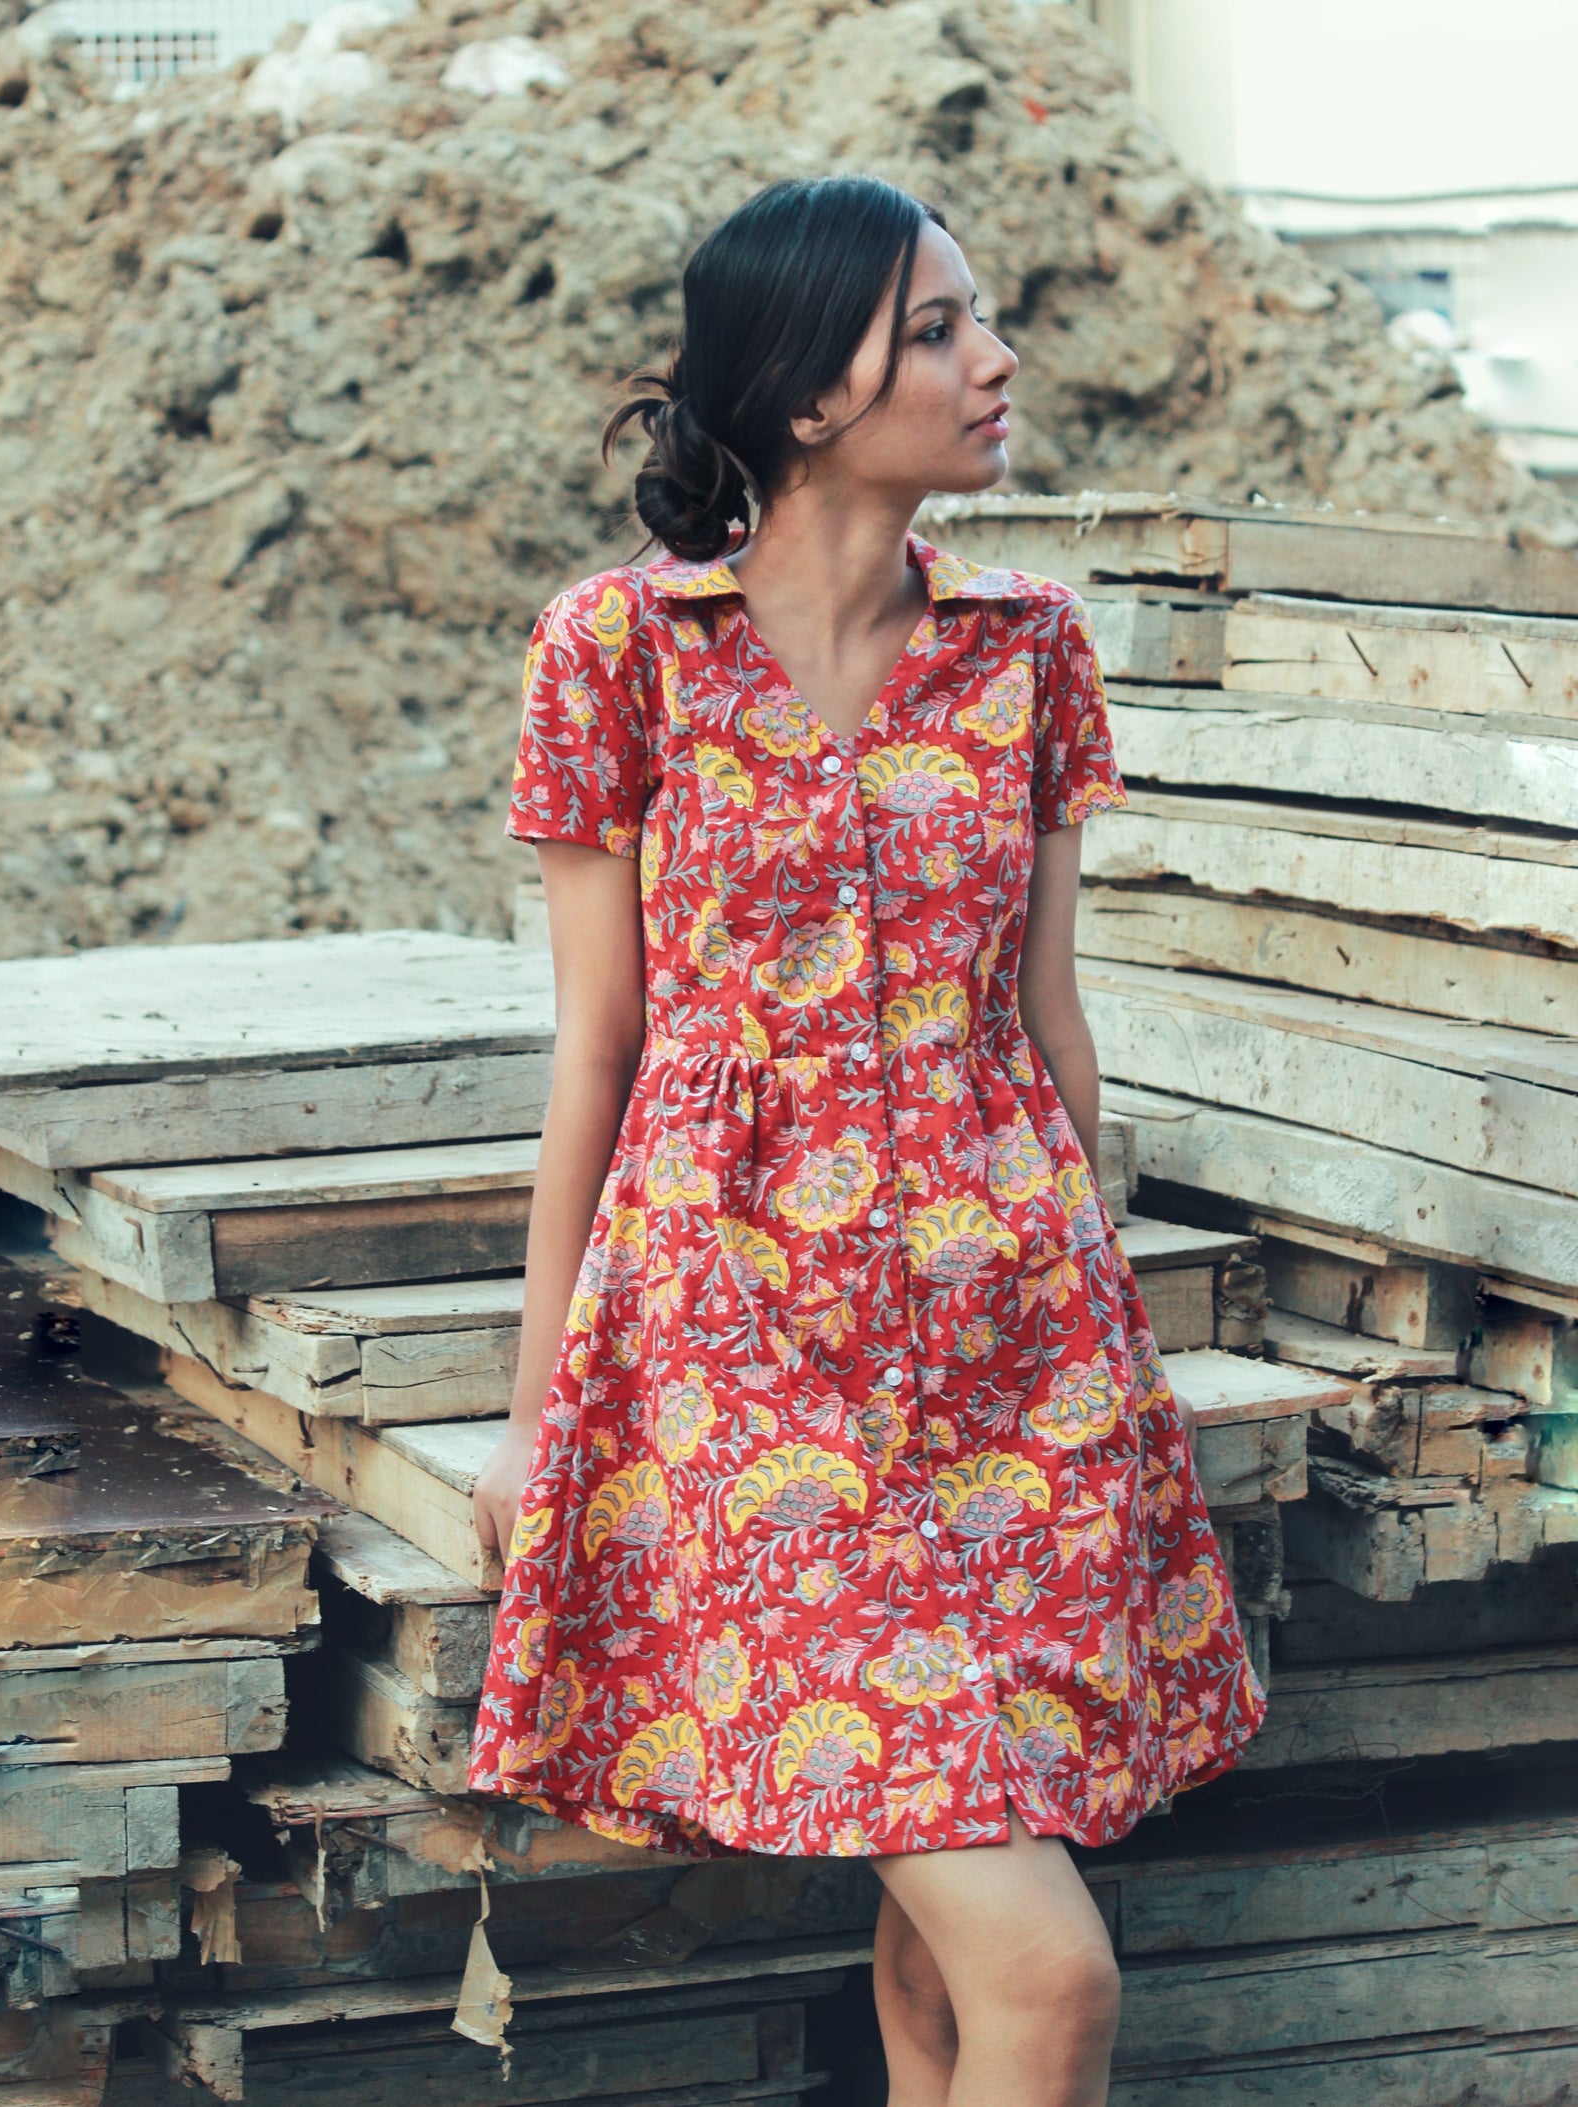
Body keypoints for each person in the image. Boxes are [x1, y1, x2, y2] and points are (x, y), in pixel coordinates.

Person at [469, 175, 1266, 2107]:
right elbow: (603, 1051)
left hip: (1019, 1343)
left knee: (938, 1997)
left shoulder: (1029, 649)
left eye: (979, 320)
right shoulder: (619, 650)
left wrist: (1105, 1353)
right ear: (809, 388)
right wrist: (535, 1410)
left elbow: (1052, 1022)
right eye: (937, 327)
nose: (995, 361)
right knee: (1052, 1984)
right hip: (740, 1352)